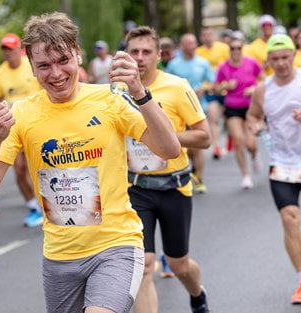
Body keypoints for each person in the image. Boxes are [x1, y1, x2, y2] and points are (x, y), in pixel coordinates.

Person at [0, 12, 180, 313]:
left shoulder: (110, 101)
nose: (55, 73)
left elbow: (169, 148)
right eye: (44, 65)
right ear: (31, 67)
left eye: (63, 61)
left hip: (116, 245)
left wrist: (140, 92)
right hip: (59, 257)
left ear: (78, 56)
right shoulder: (22, 114)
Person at [125, 26, 211, 313]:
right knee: (145, 265)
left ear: (159, 55)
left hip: (174, 186)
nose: (139, 58)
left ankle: (197, 295)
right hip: (136, 188)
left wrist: (164, 138)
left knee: (178, 264)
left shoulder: (177, 86)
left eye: (146, 51)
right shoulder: (114, 92)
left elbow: (204, 136)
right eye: (134, 51)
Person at [247, 34, 301, 305]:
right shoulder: (264, 89)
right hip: (282, 163)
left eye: (286, 57)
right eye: (276, 59)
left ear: (293, 56)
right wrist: (254, 126)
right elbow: (252, 115)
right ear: (268, 61)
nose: (282, 63)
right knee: (289, 217)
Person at [0, 33, 44, 227]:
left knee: (41, 166)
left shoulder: (31, 66)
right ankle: (33, 208)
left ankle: (51, 204)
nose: (7, 53)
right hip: (14, 126)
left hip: (38, 123)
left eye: (11, 48)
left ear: (18, 49)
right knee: (20, 170)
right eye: (4, 49)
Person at [167, 33, 214, 193]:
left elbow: (212, 82)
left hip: (199, 108)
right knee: (185, 146)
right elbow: (167, 84)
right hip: (178, 112)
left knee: (198, 146)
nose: (192, 46)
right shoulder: (174, 64)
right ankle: (188, 173)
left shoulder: (203, 62)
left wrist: (204, 88)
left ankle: (199, 179)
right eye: (188, 43)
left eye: (194, 43)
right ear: (182, 46)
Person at [216, 38, 263, 189]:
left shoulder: (252, 62)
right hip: (232, 108)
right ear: (229, 50)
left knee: (250, 144)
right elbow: (216, 87)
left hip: (251, 108)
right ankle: (245, 175)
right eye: (233, 48)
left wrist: (254, 89)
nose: (236, 51)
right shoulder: (224, 67)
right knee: (238, 140)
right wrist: (225, 86)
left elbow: (263, 80)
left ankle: (254, 155)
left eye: (238, 48)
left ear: (242, 49)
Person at [196, 26, 230, 160]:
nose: (207, 37)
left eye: (209, 34)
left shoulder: (223, 48)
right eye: (204, 35)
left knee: (228, 119)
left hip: (225, 88)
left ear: (213, 35)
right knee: (213, 118)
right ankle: (216, 146)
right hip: (210, 89)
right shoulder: (198, 52)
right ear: (201, 37)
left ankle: (229, 139)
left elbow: (230, 66)